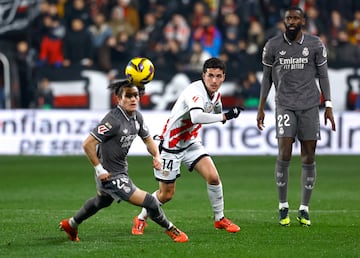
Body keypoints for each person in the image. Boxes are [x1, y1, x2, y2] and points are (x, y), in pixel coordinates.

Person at [59, 80, 188, 243]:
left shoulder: (137, 117)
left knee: (102, 201)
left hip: (120, 170)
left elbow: (148, 140)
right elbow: (88, 144)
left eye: (135, 95)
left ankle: (71, 224)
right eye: (128, 96)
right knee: (150, 201)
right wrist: (99, 169)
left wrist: (156, 156)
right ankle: (172, 230)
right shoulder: (113, 120)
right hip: (110, 174)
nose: (133, 99)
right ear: (118, 99)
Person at [132, 57, 242, 235]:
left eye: (218, 76)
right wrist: (225, 117)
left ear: (223, 77)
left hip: (191, 143)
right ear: (203, 75)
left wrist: (223, 114)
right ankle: (141, 218)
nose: (214, 80)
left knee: (213, 177)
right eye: (210, 76)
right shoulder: (194, 90)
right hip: (171, 145)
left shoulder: (216, 94)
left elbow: (215, 110)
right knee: (166, 194)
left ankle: (219, 219)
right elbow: (197, 117)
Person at [256, 6, 336, 227]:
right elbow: (266, 79)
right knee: (285, 151)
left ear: (303, 21)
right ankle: (283, 206)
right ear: (284, 21)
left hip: (310, 106)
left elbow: (323, 75)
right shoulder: (272, 45)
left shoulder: (315, 44)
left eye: (295, 18)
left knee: (309, 154)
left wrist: (328, 105)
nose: (291, 21)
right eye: (288, 18)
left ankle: (304, 208)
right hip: (284, 105)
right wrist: (261, 107)